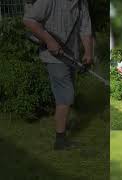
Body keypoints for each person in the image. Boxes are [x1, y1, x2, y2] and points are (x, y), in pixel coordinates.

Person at [23, 0, 93, 150]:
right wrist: (49, 40)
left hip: (71, 56)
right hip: (53, 56)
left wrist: (88, 52)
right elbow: (29, 20)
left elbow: (85, 29)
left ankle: (61, 129)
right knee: (66, 96)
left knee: (65, 96)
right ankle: (60, 140)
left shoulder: (82, 4)